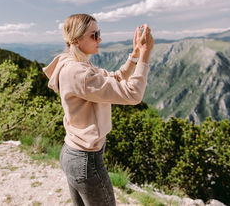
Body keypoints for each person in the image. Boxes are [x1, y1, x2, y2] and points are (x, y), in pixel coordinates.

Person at [43, 13, 154, 206]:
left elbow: (115, 77)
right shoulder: (79, 73)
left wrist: (134, 55)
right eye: (94, 35)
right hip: (86, 160)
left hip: (72, 152)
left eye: (99, 33)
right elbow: (133, 94)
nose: (100, 39)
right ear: (77, 40)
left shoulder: (72, 63)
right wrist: (145, 56)